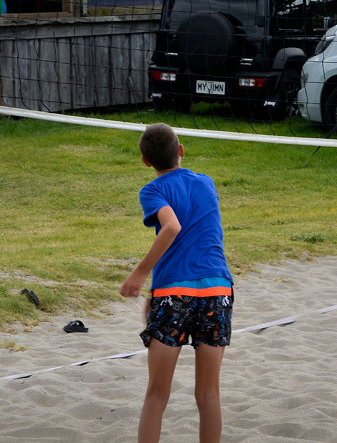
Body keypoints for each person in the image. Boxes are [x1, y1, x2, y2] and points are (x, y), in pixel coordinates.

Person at [120, 123, 234, 443]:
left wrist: (140, 273)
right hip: (217, 292)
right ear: (181, 151)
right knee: (209, 394)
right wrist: (155, 291)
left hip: (174, 295)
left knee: (157, 395)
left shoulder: (152, 190)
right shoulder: (206, 182)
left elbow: (171, 228)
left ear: (146, 161)